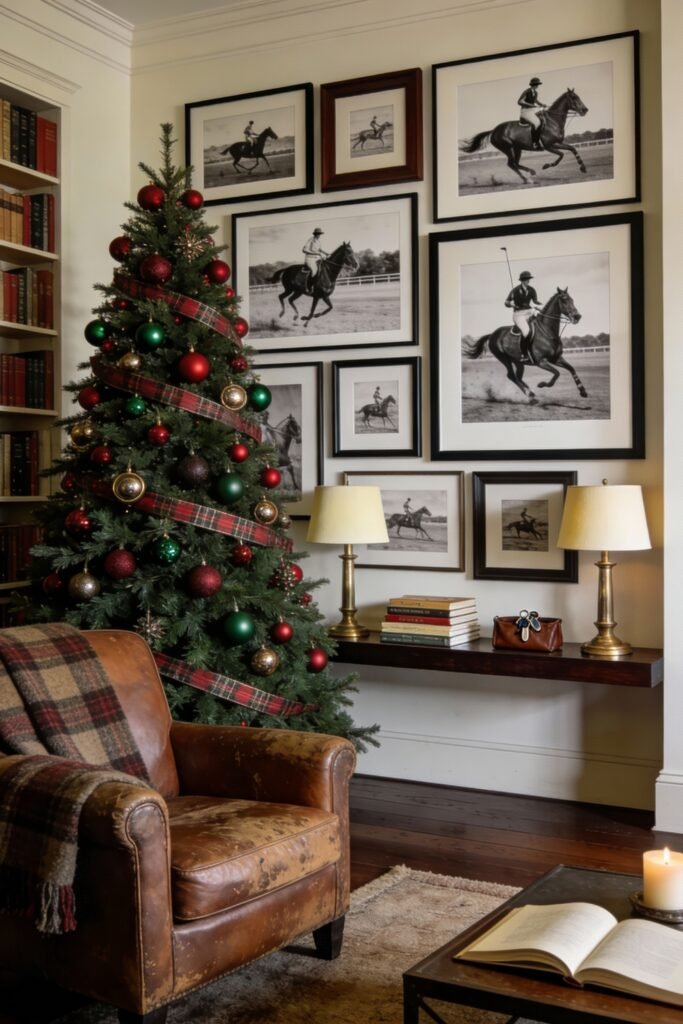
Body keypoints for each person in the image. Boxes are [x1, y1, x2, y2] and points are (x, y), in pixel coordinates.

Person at [505, 270, 543, 364]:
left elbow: (535, 301)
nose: (528, 281)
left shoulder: (532, 289)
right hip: (518, 314)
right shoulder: (515, 290)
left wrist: (540, 305)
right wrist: (511, 304)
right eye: (526, 279)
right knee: (526, 332)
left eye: (528, 279)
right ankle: (524, 354)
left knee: (542, 320)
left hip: (529, 311)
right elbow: (506, 302)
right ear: (522, 280)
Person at [517, 77, 546, 150]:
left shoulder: (535, 92)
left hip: (532, 111)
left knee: (544, 118)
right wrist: (530, 105)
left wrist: (542, 104)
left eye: (538, 84)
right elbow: (520, 101)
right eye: (536, 84)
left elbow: (535, 100)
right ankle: (535, 143)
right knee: (537, 123)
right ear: (533, 85)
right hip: (525, 111)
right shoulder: (527, 91)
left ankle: (541, 139)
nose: (537, 86)